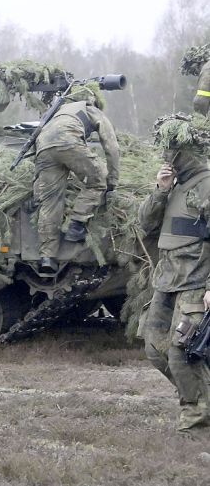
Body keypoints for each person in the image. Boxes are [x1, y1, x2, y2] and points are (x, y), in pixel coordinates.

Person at [138, 113, 210, 433]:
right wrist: (160, 190)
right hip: (166, 282)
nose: (168, 157)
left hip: (195, 282)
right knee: (156, 349)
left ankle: (197, 424)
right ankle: (199, 397)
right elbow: (145, 225)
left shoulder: (206, 185)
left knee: (183, 352)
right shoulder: (175, 186)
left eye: (173, 150)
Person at [32, 84, 120, 273]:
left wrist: (37, 187)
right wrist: (112, 181)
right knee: (98, 180)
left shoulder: (57, 112)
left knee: (50, 203)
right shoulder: (91, 109)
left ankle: (47, 257)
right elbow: (111, 146)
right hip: (68, 141)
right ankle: (76, 224)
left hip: (43, 147)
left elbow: (38, 142)